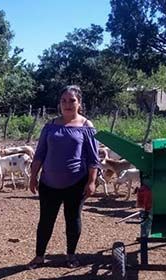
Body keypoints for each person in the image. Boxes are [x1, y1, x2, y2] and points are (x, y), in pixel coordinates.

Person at [27, 85, 100, 269]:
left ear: (79, 103)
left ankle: (71, 255)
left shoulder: (86, 126)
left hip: (76, 183)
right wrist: (33, 176)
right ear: (59, 103)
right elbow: (40, 153)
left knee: (73, 219)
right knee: (46, 220)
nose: (67, 104)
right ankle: (39, 256)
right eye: (64, 101)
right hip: (48, 183)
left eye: (72, 100)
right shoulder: (50, 126)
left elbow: (93, 158)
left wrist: (91, 181)